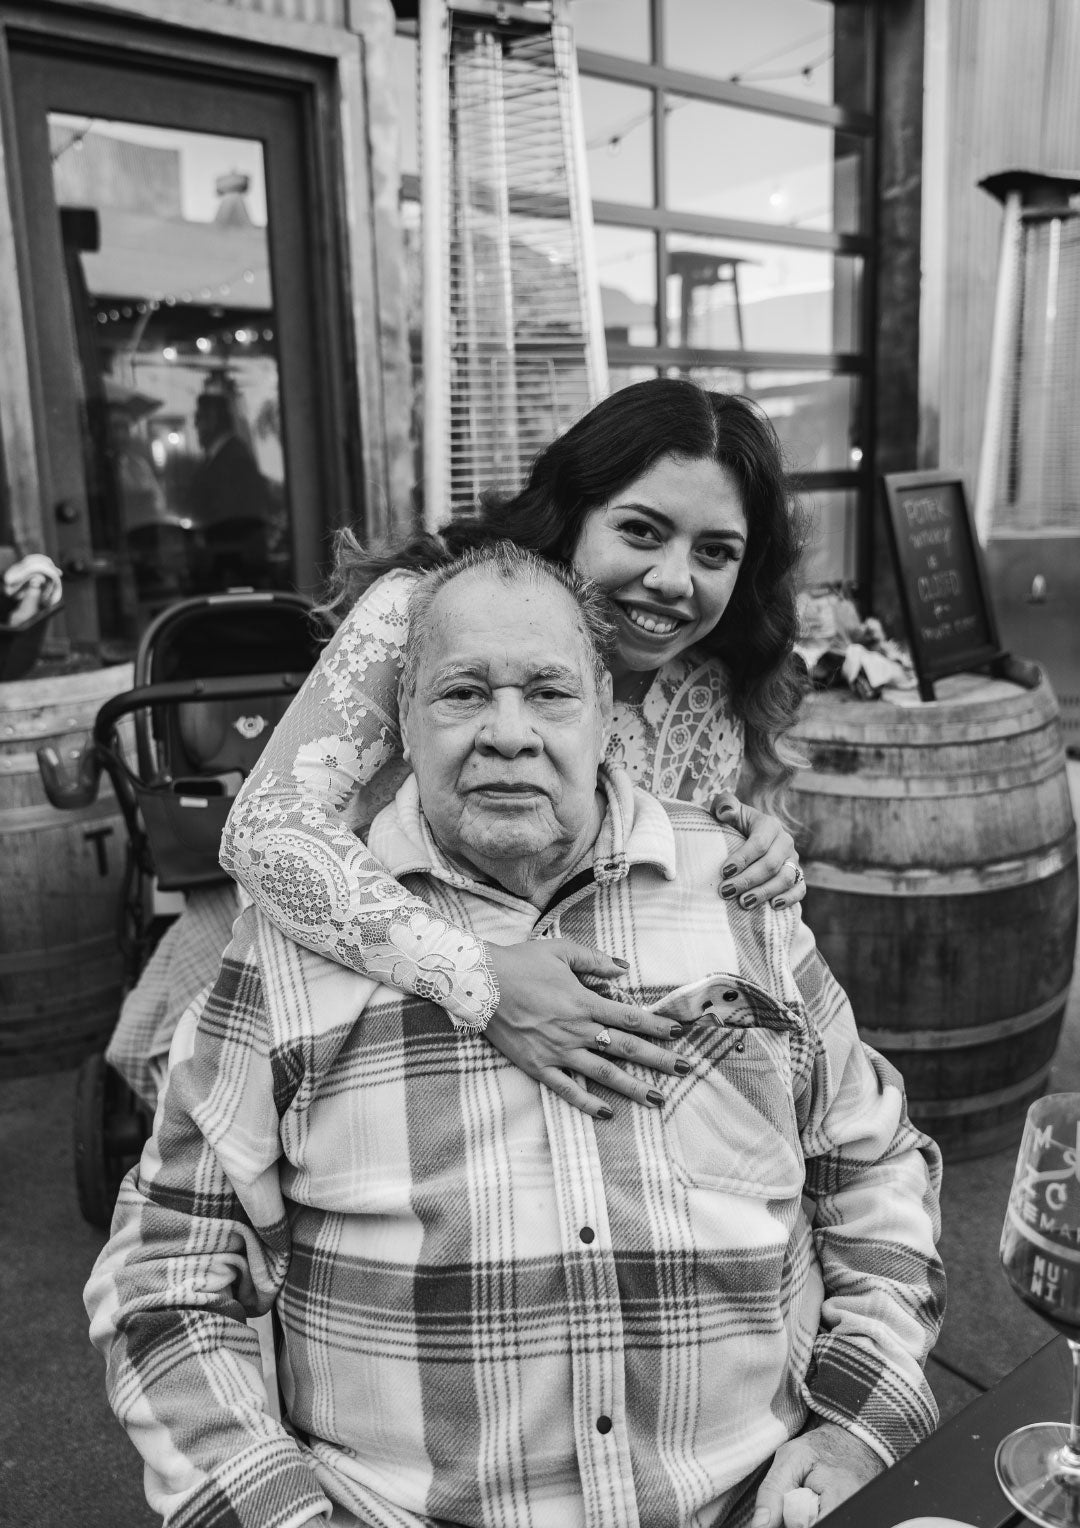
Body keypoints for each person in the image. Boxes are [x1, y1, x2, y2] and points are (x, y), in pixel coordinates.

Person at [86, 544, 945, 1528]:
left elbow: (874, 1168)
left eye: (548, 693)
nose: (508, 734)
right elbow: (167, 1283)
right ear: (399, 722)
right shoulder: (293, 951)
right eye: (461, 694)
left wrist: (860, 1420)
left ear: (605, 716)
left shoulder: (736, 894)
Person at [219, 377, 811, 1117]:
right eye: (641, 532)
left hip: (591, 1049)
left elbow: (658, 889)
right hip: (378, 1009)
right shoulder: (427, 611)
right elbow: (264, 831)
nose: (672, 579)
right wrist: (478, 978)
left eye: (715, 552)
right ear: (574, 512)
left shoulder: (706, 682)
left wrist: (754, 851)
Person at [188, 389, 272, 587]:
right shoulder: (219, 457)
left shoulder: (234, 459)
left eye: (199, 418)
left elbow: (231, 517)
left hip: (233, 567)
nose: (195, 426)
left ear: (213, 420)